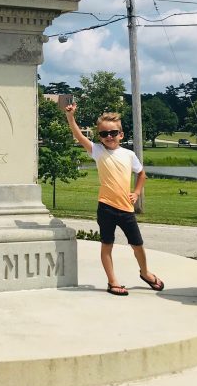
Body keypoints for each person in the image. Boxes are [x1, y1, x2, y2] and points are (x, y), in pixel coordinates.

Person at [64, 103, 164, 297]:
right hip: (106, 208)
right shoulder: (97, 151)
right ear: (99, 136)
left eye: (113, 133)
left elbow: (142, 174)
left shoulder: (129, 154)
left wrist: (136, 193)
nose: (108, 137)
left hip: (126, 209)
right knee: (106, 245)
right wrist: (70, 116)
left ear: (121, 134)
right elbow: (78, 135)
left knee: (137, 245)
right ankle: (112, 281)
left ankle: (145, 273)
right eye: (103, 134)